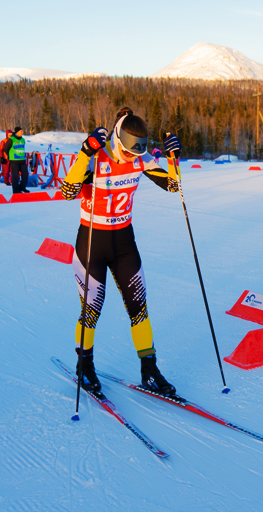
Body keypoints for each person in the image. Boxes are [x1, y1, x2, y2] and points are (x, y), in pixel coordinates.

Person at [59, 107, 183, 396]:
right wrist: (83, 154)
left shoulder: (141, 158)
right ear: (117, 139)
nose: (132, 158)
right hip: (92, 241)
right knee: (91, 311)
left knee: (139, 309)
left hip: (125, 242)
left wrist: (174, 158)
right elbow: (67, 191)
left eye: (136, 154)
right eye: (127, 152)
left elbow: (174, 185)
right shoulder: (97, 156)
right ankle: (85, 367)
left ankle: (149, 370)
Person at [2, 127, 30, 194]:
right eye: (21, 131)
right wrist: (9, 155)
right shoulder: (11, 139)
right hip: (14, 161)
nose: (22, 132)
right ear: (17, 132)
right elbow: (5, 148)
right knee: (15, 176)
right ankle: (16, 190)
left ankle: (22, 187)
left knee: (25, 174)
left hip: (22, 160)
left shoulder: (23, 139)